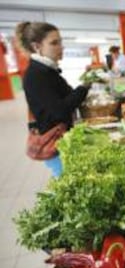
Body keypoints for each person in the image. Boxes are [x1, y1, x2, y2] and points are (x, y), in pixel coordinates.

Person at [15, 22, 89, 177]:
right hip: (54, 142)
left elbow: (66, 95)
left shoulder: (47, 70)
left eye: (60, 42)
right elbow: (60, 110)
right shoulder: (37, 75)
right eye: (54, 43)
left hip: (60, 140)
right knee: (66, 184)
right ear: (37, 47)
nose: (61, 47)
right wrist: (83, 88)